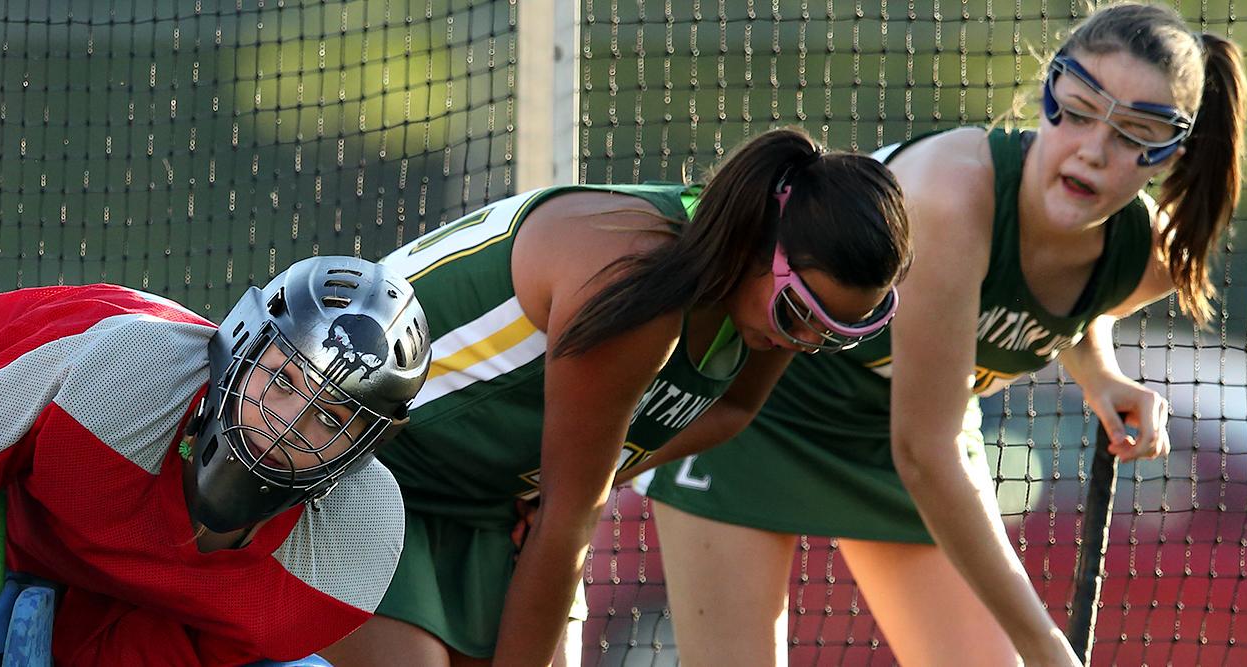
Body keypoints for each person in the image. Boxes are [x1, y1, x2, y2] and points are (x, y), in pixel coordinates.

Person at [645, 4, 1247, 665]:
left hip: (910, 432)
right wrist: (1049, 645)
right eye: (1076, 111)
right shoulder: (951, 198)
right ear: (1046, 93)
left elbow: (1074, 306)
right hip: (763, 405)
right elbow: (926, 451)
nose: (1093, 149)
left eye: (1134, 131)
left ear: (1171, 152)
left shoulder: (1148, 259)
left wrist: (1099, 374)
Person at [319, 127, 914, 666]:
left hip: (483, 503)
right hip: (358, 467)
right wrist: (568, 489)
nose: (805, 342)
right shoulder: (639, 284)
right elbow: (568, 519)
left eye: (836, 334)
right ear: (759, 241)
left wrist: (580, 477)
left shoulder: (759, 292)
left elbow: (732, 410)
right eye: (798, 314)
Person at [0, 255, 431, 666]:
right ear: (241, 343)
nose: (285, 423)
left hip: (67, 575)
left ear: (367, 446)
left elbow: (169, 650)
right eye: (283, 379)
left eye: (331, 420)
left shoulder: (348, 556)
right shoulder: (123, 376)